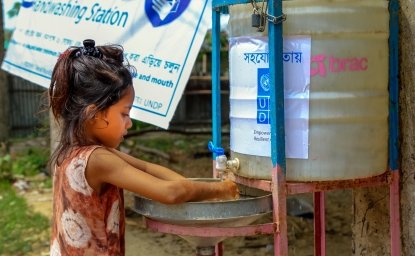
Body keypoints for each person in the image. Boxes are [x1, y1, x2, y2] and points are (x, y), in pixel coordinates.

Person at [48, 39, 239, 256]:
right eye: (124, 113)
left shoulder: (74, 152)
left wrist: (187, 185)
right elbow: (170, 193)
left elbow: (147, 169)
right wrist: (222, 189)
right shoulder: (97, 160)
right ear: (94, 114)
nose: (129, 122)